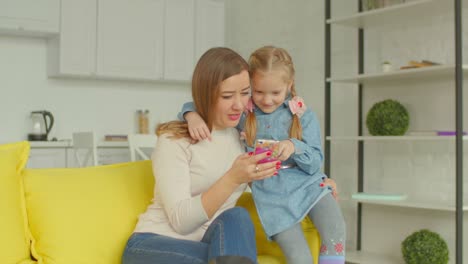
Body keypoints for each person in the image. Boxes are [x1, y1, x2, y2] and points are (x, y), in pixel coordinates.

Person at [180, 46, 346, 264]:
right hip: (272, 200)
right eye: (258, 92)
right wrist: (191, 115)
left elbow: (315, 162)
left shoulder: (302, 114)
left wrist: (294, 146)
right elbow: (203, 103)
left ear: (289, 84)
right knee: (300, 258)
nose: (267, 100)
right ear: (250, 87)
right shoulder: (244, 114)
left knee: (336, 231)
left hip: (310, 188)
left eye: (276, 93)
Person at [121, 47, 280, 264]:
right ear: (205, 94)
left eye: (245, 93)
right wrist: (233, 178)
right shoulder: (175, 139)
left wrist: (320, 186)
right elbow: (181, 222)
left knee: (237, 216)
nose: (239, 105)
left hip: (207, 246)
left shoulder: (243, 138)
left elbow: (275, 187)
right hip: (151, 246)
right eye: (227, 96)